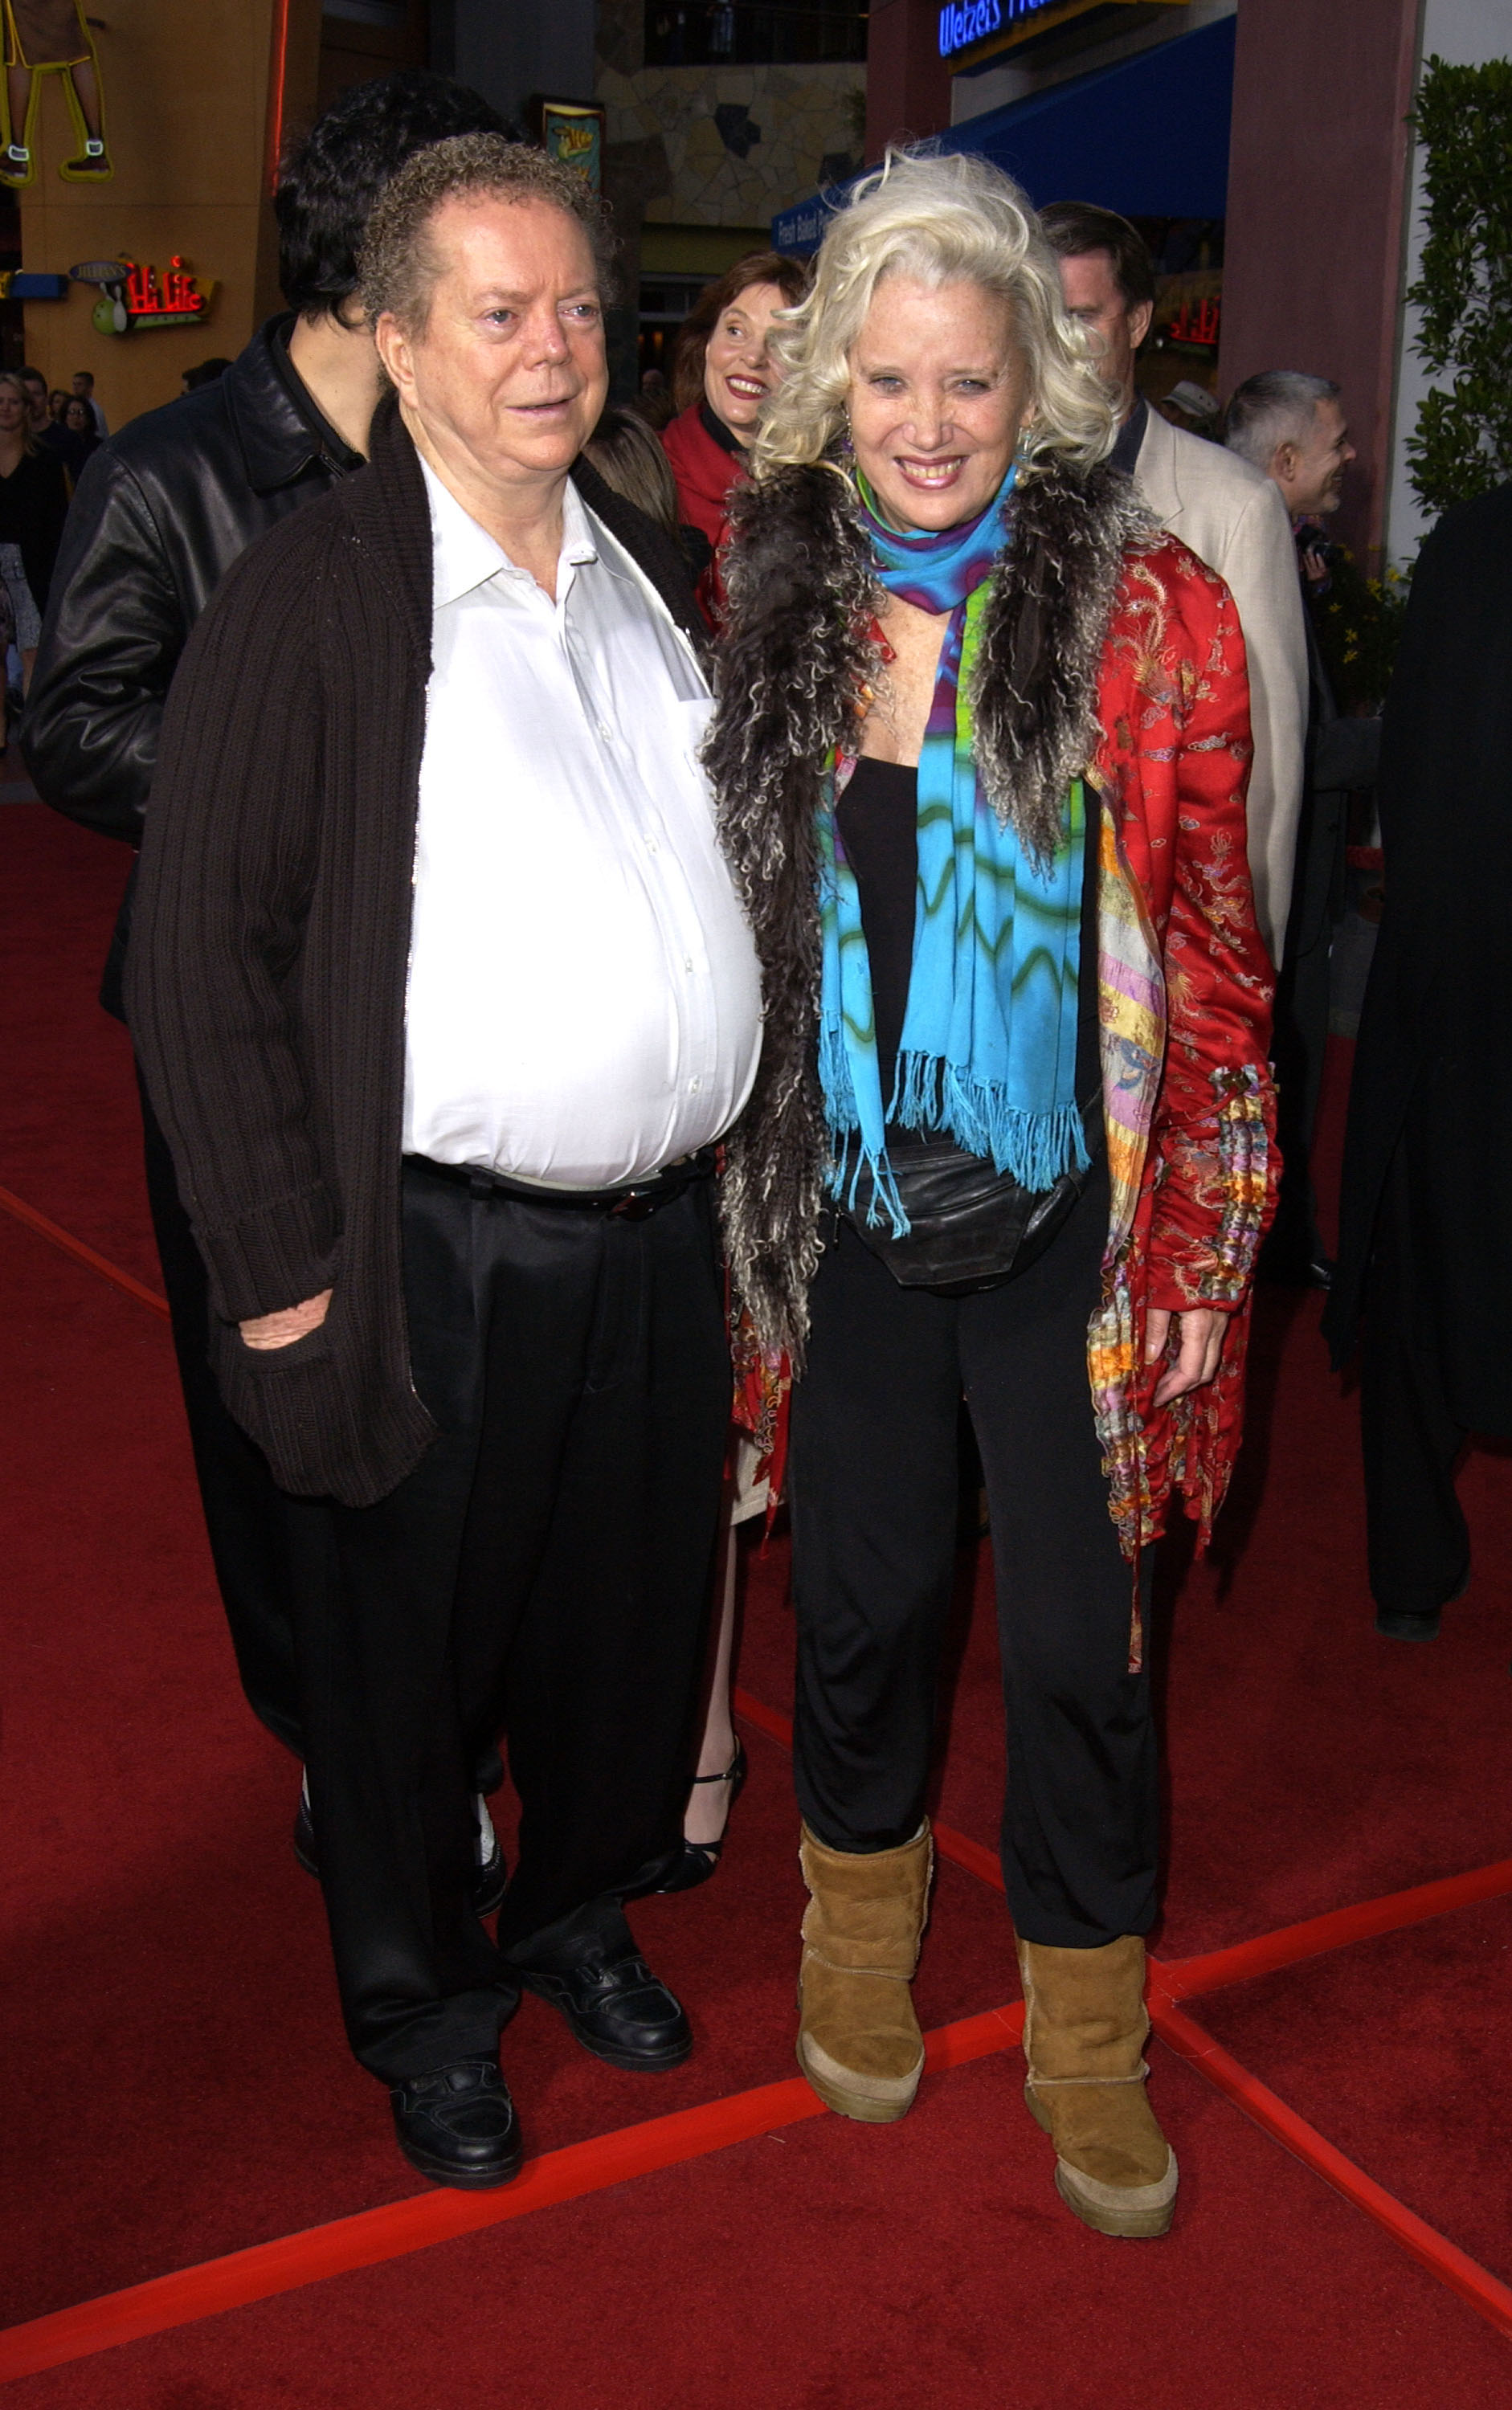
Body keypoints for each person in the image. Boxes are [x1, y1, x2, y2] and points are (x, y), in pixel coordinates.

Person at [128, 133, 764, 2189]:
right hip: (427, 1248)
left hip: (656, 1237)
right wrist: (278, 1278)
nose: (550, 348)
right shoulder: (314, 591)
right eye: (497, 312)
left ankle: (573, 1913)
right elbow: (198, 952)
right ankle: (423, 2005)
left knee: (619, 1628)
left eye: (575, 304)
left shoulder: (650, 570)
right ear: (397, 343)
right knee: (401, 1668)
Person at [707, 149, 1277, 2240]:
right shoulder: (767, 595)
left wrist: (1209, 1236)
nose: (928, 423)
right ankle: (854, 1941)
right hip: (848, 1220)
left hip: (1074, 1230)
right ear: (828, 389)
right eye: (887, 382)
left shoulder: (1150, 613)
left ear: (1036, 376)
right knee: (858, 1616)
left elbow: (1212, 953)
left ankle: (1087, 2032)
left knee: (1078, 1653)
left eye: (967, 379)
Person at [23, 72, 508, 1856]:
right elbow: (76, 727)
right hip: (242, 1011)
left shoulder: (469, 455)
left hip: (450, 1000)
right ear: (384, 269)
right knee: (276, 1386)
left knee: (449, 1371)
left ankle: (442, 1708)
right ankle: (330, 1730)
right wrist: (305, 791)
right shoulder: (172, 470)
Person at [1325, 484, 1512, 1644]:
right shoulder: (1475, 542)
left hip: (1445, 968)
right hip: (1454, 967)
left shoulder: (1469, 540)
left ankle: (1407, 1571)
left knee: (1424, 1261)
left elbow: (1413, 759)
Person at [1041, 202, 1307, 967]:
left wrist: (1243, 961)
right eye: (1041, 316)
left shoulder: (1233, 506)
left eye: (1082, 316)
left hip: (1157, 933)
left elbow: (1266, 771)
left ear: (1137, 322)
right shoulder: (981, 487)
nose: (1060, 343)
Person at [1226, 371, 1381, 1286]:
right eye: (1337, 442)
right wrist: (1405, 737)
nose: (1351, 456)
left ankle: (1288, 1244)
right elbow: (1278, 744)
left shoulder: (1300, 558)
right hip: (1261, 886)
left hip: (1305, 885)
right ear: (1285, 461)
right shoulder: (1241, 560)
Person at [659, 250, 807, 623]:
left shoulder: (833, 495)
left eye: (781, 343)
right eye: (736, 331)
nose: (753, 357)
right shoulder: (643, 474)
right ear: (708, 343)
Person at [0, 367, 67, 683]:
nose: (5, 408)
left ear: (26, 408)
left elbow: (58, 521)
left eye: (14, 401)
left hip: (31, 568)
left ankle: (32, 716)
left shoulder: (45, 460)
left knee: (33, 654)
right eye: (0, 401)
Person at [71, 366, 106, 435]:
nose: (75, 388)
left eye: (79, 384)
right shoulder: (73, 406)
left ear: (90, 387)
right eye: (74, 384)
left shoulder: (94, 411)